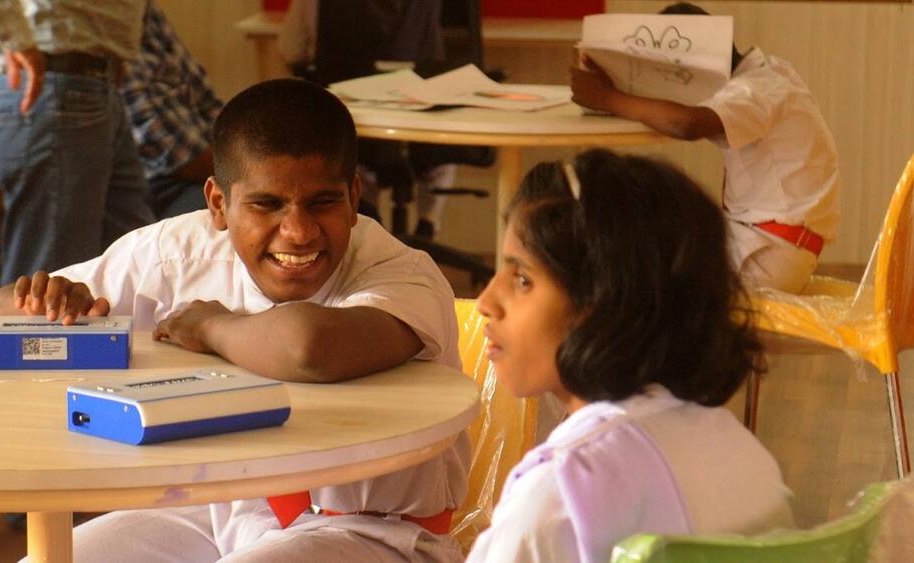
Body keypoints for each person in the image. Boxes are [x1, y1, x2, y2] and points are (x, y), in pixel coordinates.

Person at [0, 78, 469, 563]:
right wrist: (43, 304)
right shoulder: (176, 254)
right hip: (227, 513)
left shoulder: (401, 273)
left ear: (354, 197)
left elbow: (310, 348)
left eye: (323, 202)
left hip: (374, 534)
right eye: (267, 204)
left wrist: (209, 327)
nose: (298, 232)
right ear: (217, 203)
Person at [464, 148, 795, 562]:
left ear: (607, 304)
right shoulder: (742, 452)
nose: (485, 301)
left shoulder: (561, 492)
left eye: (523, 279)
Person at [570, 2, 840, 293]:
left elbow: (685, 124)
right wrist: (617, 85)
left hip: (769, 255)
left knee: (636, 241)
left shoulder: (754, 90)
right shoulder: (767, 74)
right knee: (648, 223)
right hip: (777, 245)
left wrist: (607, 98)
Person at [0, 0, 155, 285]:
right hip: (51, 81)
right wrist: (16, 38)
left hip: (90, 83)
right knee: (49, 292)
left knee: (131, 264)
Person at [278, 0, 456, 240]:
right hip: (423, 124)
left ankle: (367, 226)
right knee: (441, 148)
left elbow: (292, 49)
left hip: (352, 125)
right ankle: (428, 223)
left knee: (354, 153)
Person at [121, 1, 224, 219]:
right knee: (243, 219)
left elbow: (206, 99)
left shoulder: (145, 9)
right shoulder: (111, 16)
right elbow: (165, 148)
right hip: (164, 182)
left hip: (208, 167)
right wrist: (250, 171)